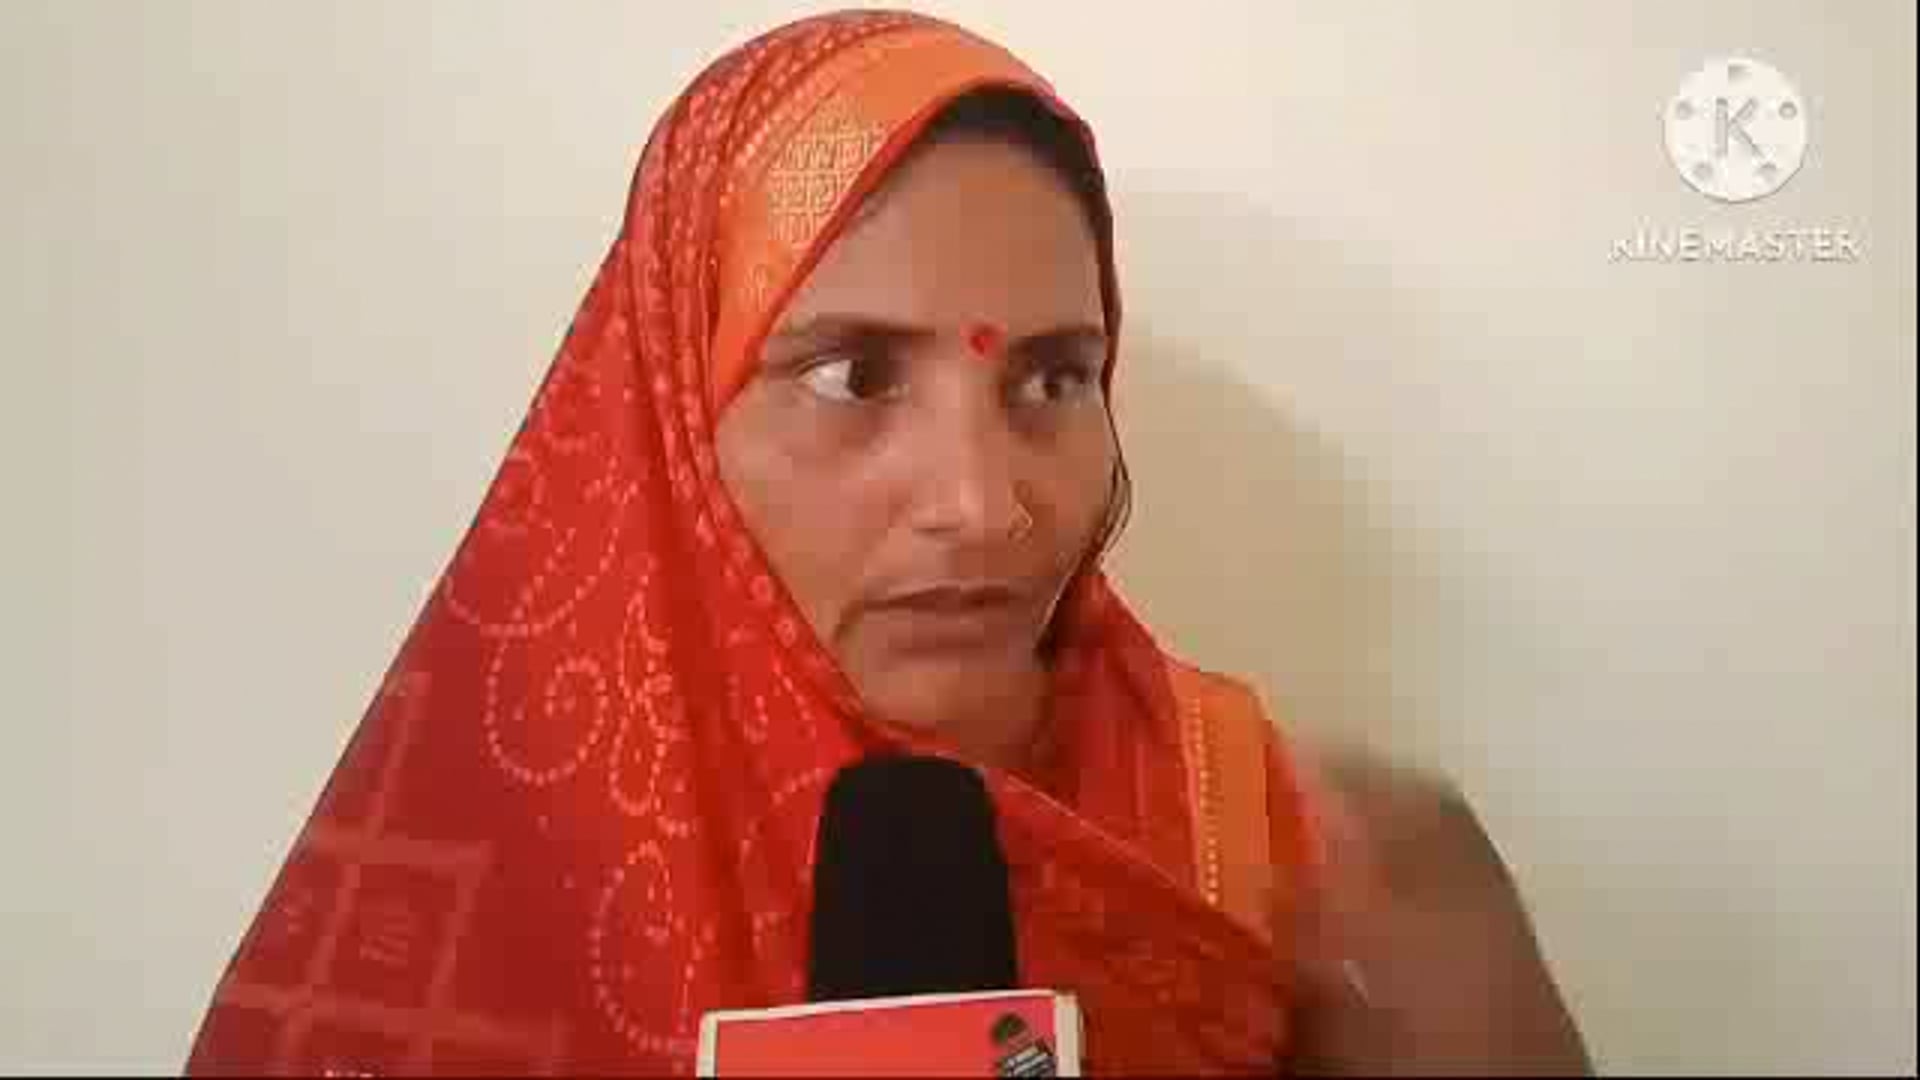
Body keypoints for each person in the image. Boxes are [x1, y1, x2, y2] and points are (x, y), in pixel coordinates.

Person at [186, 11, 1587, 1075]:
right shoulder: (467, 871)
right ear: (666, 422)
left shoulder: (1302, 857)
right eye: (854, 376)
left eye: (1052, 378)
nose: (984, 506)